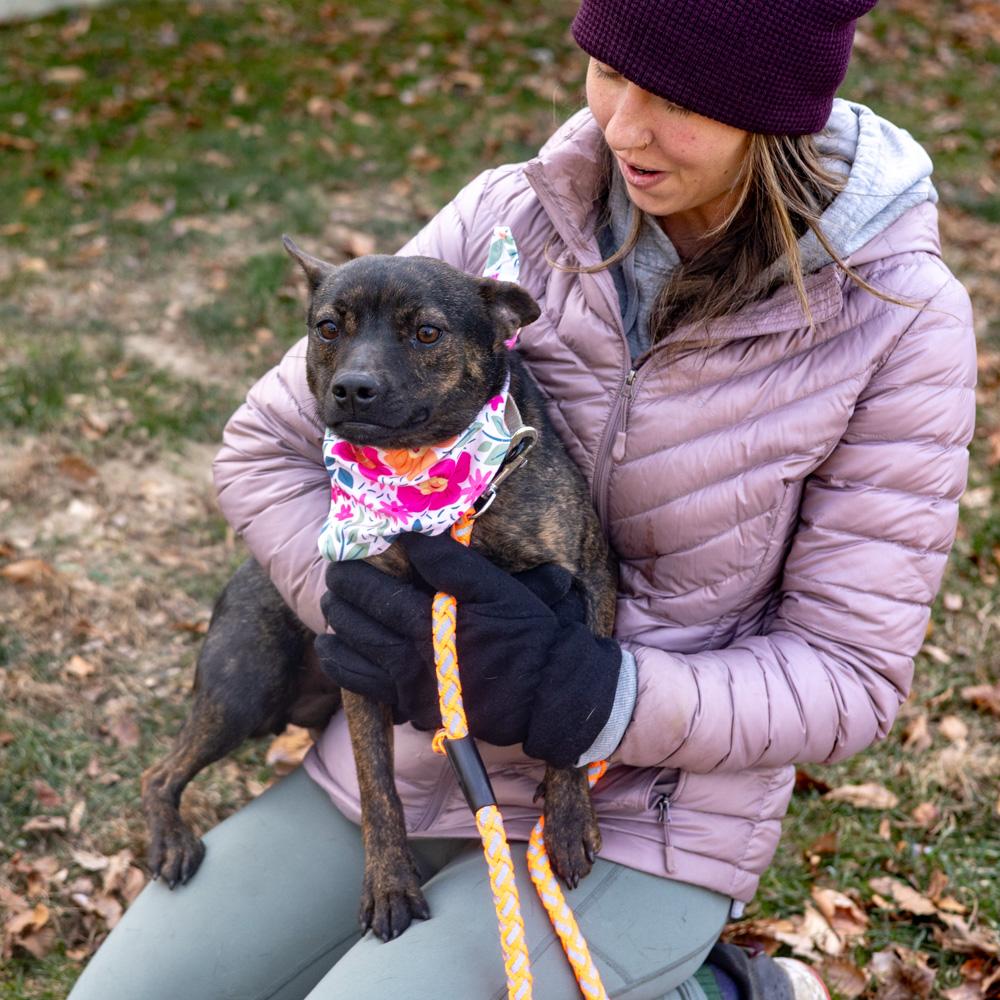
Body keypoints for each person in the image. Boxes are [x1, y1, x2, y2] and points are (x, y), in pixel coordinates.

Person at [68, 0, 976, 998]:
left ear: (771, 113)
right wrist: (362, 615)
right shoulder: (517, 212)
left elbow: (848, 675)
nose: (621, 126)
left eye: (672, 98)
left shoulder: (896, 317)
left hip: (639, 816)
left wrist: (595, 695)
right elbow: (264, 451)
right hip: (405, 772)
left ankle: (717, 986)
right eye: (605, 71)